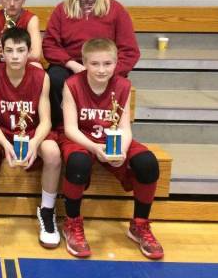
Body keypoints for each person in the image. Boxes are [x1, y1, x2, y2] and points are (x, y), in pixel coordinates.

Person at [60, 38, 163, 259]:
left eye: (107, 64)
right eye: (95, 64)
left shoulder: (123, 86)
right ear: (85, 63)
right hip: (83, 138)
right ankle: (72, 223)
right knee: (78, 163)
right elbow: (70, 128)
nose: (101, 69)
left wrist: (123, 150)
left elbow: (125, 126)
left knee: (148, 163)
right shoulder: (72, 84)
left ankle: (140, 225)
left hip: (112, 138)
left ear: (116, 63)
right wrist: (96, 148)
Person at [0, 28, 61, 250]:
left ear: (29, 52)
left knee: (52, 152)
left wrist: (33, 143)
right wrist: (5, 144)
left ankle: (47, 211)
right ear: (1, 51)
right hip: (1, 129)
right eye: (9, 50)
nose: (14, 56)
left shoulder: (41, 77)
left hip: (30, 131)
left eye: (20, 50)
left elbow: (46, 121)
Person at [42, 0, 140, 128]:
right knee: (55, 78)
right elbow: (50, 45)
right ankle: (62, 127)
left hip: (103, 66)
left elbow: (130, 51)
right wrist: (73, 65)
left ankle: (102, 127)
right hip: (71, 66)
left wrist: (107, 70)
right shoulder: (62, 10)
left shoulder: (116, 10)